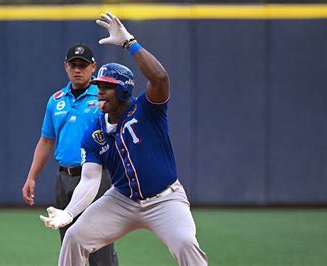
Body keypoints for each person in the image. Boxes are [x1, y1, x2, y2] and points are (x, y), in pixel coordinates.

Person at [39, 11, 208, 266]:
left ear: (124, 89)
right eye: (98, 86)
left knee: (186, 243)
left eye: (106, 87)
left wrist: (129, 42)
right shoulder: (95, 131)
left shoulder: (147, 109)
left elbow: (160, 78)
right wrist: (70, 212)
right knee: (74, 236)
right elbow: (90, 179)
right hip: (121, 200)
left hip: (164, 198)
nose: (100, 91)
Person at [22, 43, 119, 266]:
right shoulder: (56, 100)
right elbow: (46, 140)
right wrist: (31, 177)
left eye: (83, 65)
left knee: (100, 246)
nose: (78, 69)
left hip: (96, 177)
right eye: (73, 65)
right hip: (64, 178)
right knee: (69, 244)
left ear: (93, 67)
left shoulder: (103, 97)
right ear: (65, 67)